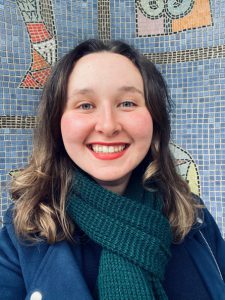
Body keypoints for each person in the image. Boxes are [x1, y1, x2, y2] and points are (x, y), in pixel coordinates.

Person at [0, 39, 225, 300]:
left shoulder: (194, 219)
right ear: (56, 125)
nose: (108, 126)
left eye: (127, 103)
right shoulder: (22, 235)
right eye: (85, 105)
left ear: (155, 120)